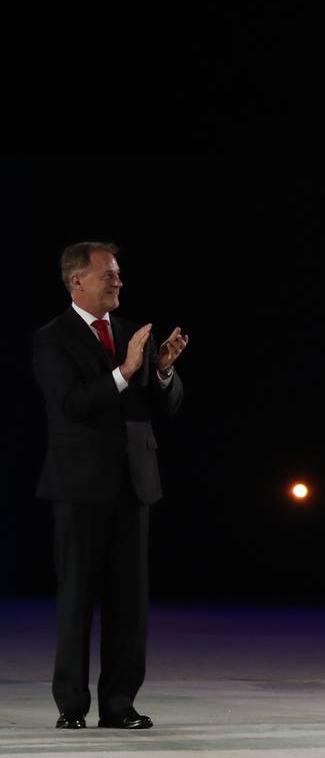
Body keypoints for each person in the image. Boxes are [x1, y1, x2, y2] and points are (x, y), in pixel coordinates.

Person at [33, 241, 187, 730]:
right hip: (79, 487)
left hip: (133, 484)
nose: (118, 281)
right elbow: (73, 404)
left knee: (129, 604)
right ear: (77, 281)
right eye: (108, 275)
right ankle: (71, 706)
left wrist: (162, 369)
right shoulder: (52, 338)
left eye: (119, 275)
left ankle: (120, 704)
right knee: (77, 598)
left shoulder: (131, 332)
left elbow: (162, 409)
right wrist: (124, 371)